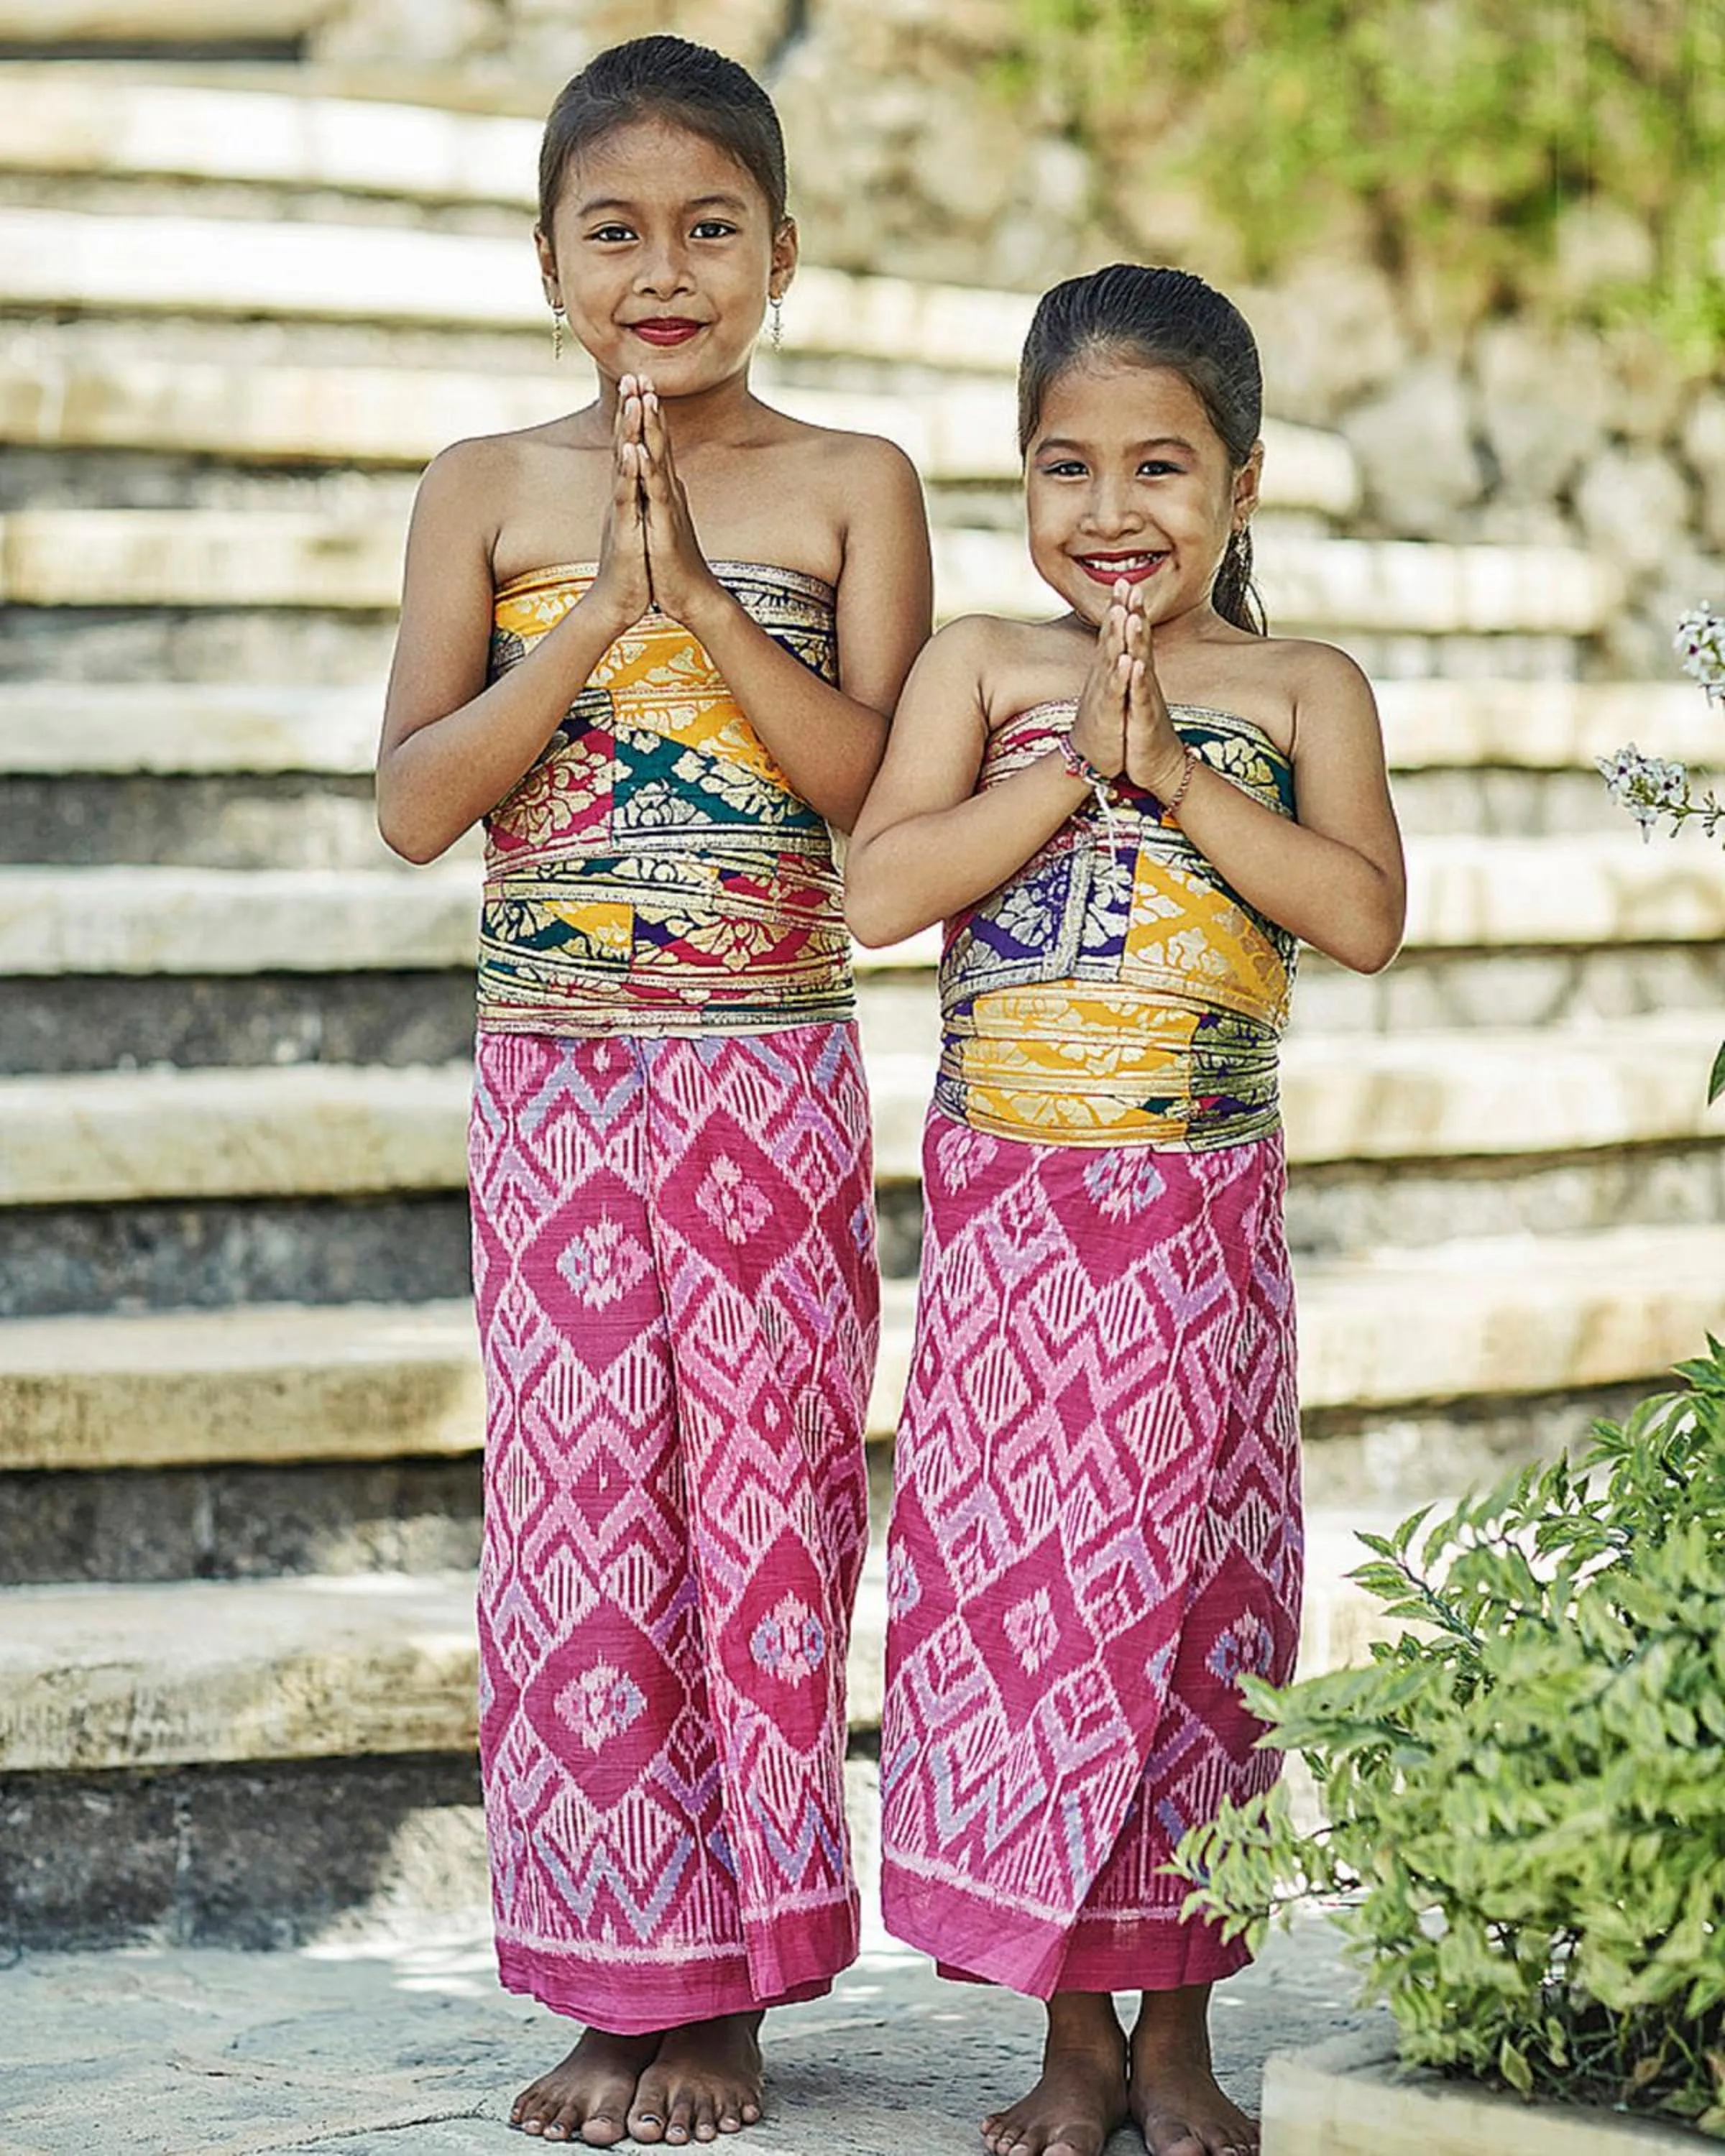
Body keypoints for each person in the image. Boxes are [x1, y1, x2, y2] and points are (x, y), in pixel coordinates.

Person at [376, 34, 932, 2147]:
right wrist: (598, 607)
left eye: (713, 227)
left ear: (783, 252)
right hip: (553, 1090)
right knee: (579, 1514)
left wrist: (700, 591)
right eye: (616, 230)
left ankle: (738, 1998)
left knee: (764, 1517)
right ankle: (619, 1982)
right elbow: (418, 801)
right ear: (549, 263)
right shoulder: (485, 491)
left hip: (766, 1073)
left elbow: (883, 799)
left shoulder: (850, 481)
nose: (665, 267)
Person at [847, 263, 1404, 2156]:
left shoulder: (1303, 689)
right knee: (1021, 1623)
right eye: (1066, 465)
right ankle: (1073, 2043)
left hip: (1200, 1244)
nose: (1111, 510)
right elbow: (880, 887)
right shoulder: (981, 672)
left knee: (1201, 1633)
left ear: (1242, 487)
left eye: (1160, 465)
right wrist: (1068, 769)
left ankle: (1182, 2036)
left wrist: (1167, 773)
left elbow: (1360, 913)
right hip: (1015, 1243)